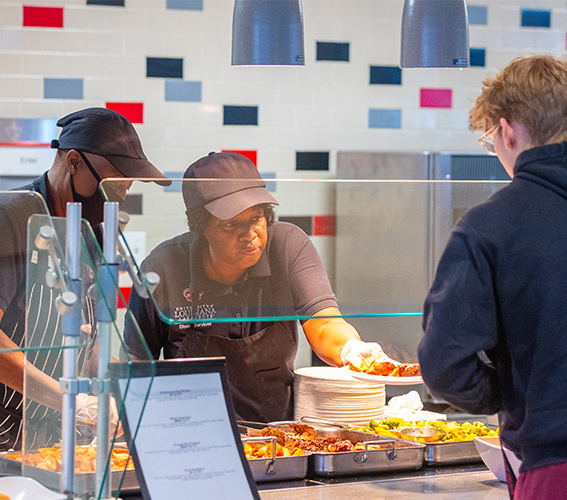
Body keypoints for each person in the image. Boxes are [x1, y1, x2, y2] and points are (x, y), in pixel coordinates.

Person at [0, 107, 168, 463]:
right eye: (115, 183)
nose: (121, 196)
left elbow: (85, 341)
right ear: (74, 162)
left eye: (126, 186)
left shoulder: (87, 230)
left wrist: (129, 390)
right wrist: (68, 400)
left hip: (39, 426)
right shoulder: (8, 215)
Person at [418, 54, 567, 498]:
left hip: (566, 467)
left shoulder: (490, 226)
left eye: (491, 140)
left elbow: (444, 362)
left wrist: (506, 393)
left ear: (507, 130)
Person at [123, 151, 383, 422]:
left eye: (257, 218)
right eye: (231, 224)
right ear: (200, 227)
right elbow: (136, 363)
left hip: (277, 440)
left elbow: (325, 322)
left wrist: (349, 348)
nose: (249, 235)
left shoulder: (288, 246)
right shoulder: (163, 267)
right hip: (192, 434)